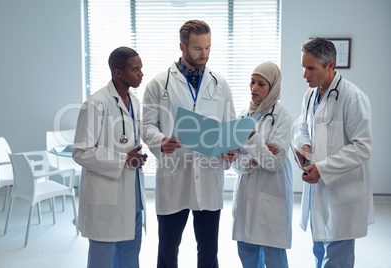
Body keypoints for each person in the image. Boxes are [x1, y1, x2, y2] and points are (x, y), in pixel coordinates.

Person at [142, 20, 236, 268]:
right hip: (175, 175)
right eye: (197, 49)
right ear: (182, 46)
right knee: (167, 250)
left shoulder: (220, 83)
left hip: (208, 175)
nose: (204, 54)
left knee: (208, 251)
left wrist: (230, 149)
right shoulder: (158, 84)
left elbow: (229, 126)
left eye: (208, 48)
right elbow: (146, 125)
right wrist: (160, 141)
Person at [293, 37, 374, 267]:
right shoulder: (310, 96)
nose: (305, 75)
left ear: (330, 65)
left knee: (337, 260)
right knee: (319, 254)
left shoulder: (352, 96)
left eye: (311, 68)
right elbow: (301, 127)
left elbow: (363, 147)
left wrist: (323, 168)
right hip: (317, 193)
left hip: (343, 194)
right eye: (303, 67)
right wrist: (304, 145)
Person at [73, 46, 148, 268]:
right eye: (135, 69)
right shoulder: (95, 104)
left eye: (141, 68)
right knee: (102, 258)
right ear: (118, 72)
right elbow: (80, 152)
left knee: (129, 255)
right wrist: (124, 159)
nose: (141, 74)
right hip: (106, 194)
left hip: (132, 190)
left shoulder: (134, 101)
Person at [231, 62, 293, 268]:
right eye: (252, 82)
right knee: (246, 253)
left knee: (274, 256)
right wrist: (255, 156)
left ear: (273, 87)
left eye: (261, 84)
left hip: (271, 192)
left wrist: (253, 139)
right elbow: (234, 160)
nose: (254, 88)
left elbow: (274, 162)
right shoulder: (242, 116)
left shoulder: (283, 118)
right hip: (245, 192)